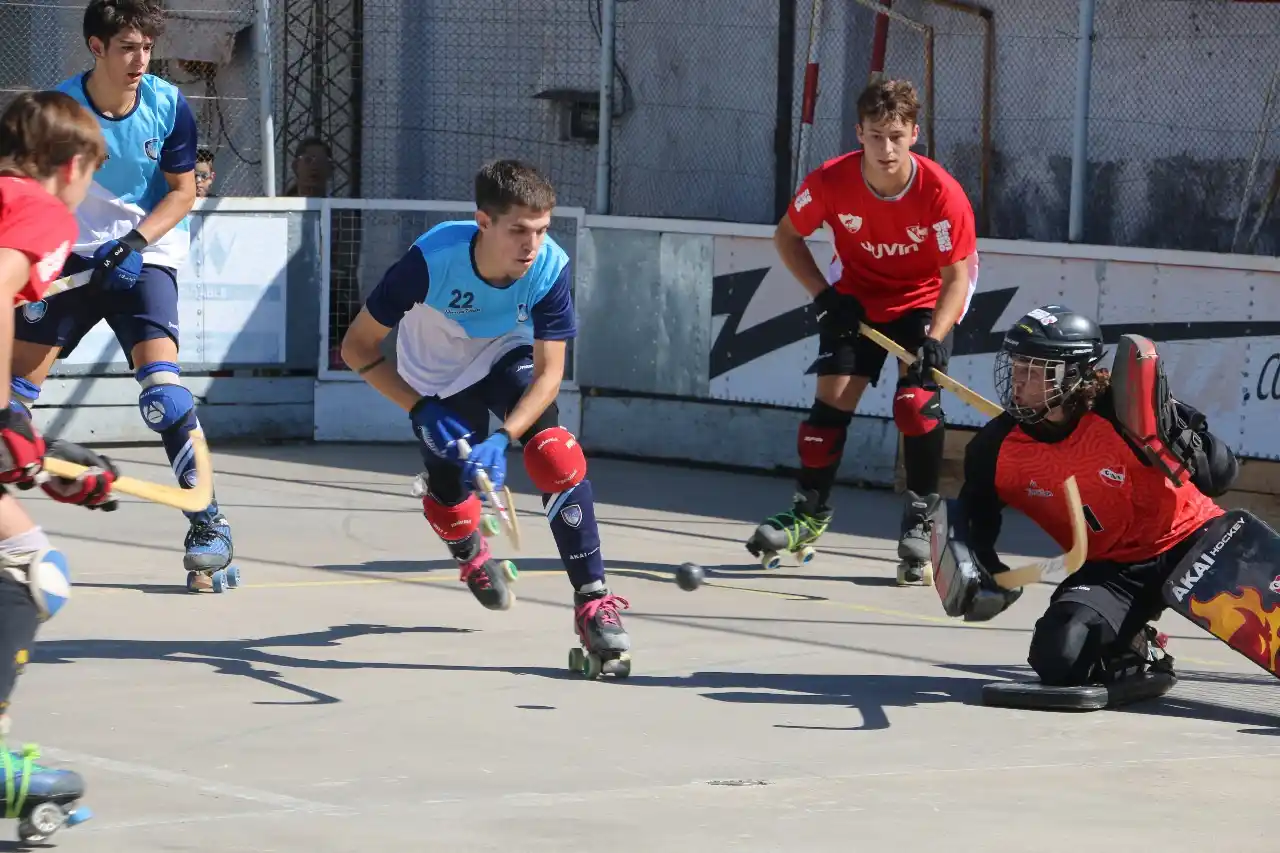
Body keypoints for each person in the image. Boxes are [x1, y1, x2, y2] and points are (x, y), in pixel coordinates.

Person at [340, 159, 633, 677]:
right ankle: (469, 549)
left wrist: (507, 437)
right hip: (435, 375)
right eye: (519, 230)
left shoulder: (548, 269)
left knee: (555, 454)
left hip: (505, 353)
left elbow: (549, 374)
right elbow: (356, 347)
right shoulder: (430, 261)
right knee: (450, 492)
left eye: (541, 230)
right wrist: (418, 406)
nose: (532, 245)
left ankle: (593, 601)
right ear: (484, 222)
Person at [10, 0, 231, 591]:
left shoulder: (167, 105)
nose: (140, 60)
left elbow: (183, 193)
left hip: (144, 254)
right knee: (9, 403)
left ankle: (208, 523)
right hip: (70, 255)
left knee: (166, 399)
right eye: (127, 47)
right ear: (96, 47)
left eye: (147, 48)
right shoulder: (62, 110)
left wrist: (133, 242)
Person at [746, 78, 979, 585]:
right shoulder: (830, 181)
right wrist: (823, 296)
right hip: (855, 297)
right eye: (875, 136)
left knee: (915, 404)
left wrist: (936, 339)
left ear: (914, 133)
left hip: (923, 299)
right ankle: (809, 511)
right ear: (859, 133)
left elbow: (957, 276)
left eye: (896, 135)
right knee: (827, 407)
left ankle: (921, 515)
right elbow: (788, 235)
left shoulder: (942, 194)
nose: (886, 148)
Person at [952, 305, 1238, 686]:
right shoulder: (995, 448)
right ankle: (1140, 647)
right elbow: (973, 522)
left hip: (1195, 541)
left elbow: (1220, 476)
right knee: (1059, 655)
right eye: (1016, 367)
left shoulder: (1124, 408)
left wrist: (1173, 431)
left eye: (1033, 371)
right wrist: (980, 571)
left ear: (1072, 374)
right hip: (1115, 571)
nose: (1018, 382)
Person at [0, 89, 126, 839]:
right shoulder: (40, 210)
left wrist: (39, 462)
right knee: (28, 568)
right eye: (92, 179)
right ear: (72, 165)